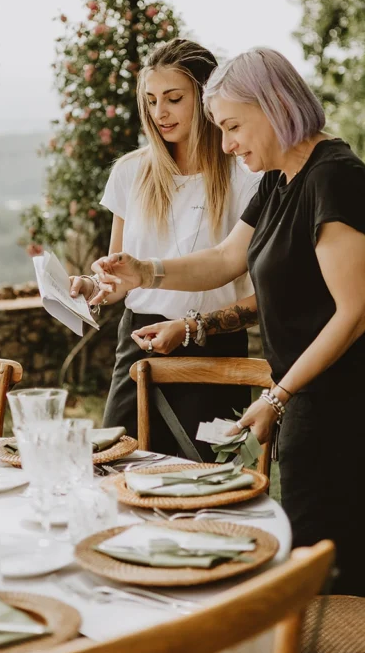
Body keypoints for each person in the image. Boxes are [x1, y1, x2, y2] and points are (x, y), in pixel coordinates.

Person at [87, 47, 365, 598]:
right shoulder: (280, 181)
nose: (227, 144)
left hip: (350, 392)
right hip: (311, 388)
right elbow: (223, 259)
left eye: (234, 126)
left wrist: (279, 395)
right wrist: (143, 270)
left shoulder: (334, 178)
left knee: (320, 539)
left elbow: (356, 312)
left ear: (275, 106)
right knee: (341, 530)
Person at [70, 38, 261, 460]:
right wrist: (92, 285)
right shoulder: (130, 173)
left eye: (174, 99)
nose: (160, 113)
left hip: (216, 348)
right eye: (152, 100)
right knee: (118, 469)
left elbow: (250, 279)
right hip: (140, 344)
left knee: (214, 482)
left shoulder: (246, 177)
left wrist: (197, 328)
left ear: (207, 98)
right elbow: (119, 276)